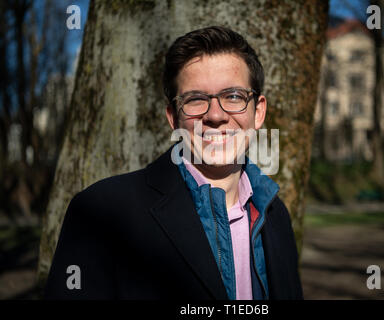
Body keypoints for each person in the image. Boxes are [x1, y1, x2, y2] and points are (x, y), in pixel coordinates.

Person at [44, 26, 303, 300]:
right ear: (172, 116)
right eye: (195, 99)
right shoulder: (100, 212)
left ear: (258, 111)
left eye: (233, 97)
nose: (215, 115)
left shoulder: (275, 215)